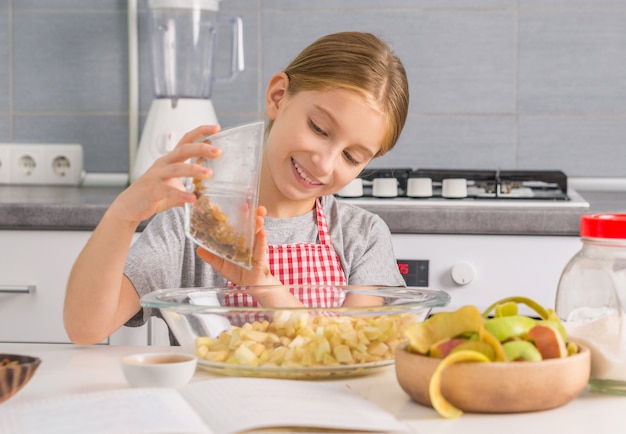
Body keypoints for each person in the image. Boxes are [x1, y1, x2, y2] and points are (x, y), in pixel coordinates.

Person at [63, 31, 410, 345]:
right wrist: (123, 215)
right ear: (277, 97)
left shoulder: (361, 236)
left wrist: (264, 286)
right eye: (319, 128)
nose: (325, 163)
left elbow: (352, 347)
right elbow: (86, 328)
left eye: (351, 156)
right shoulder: (194, 227)